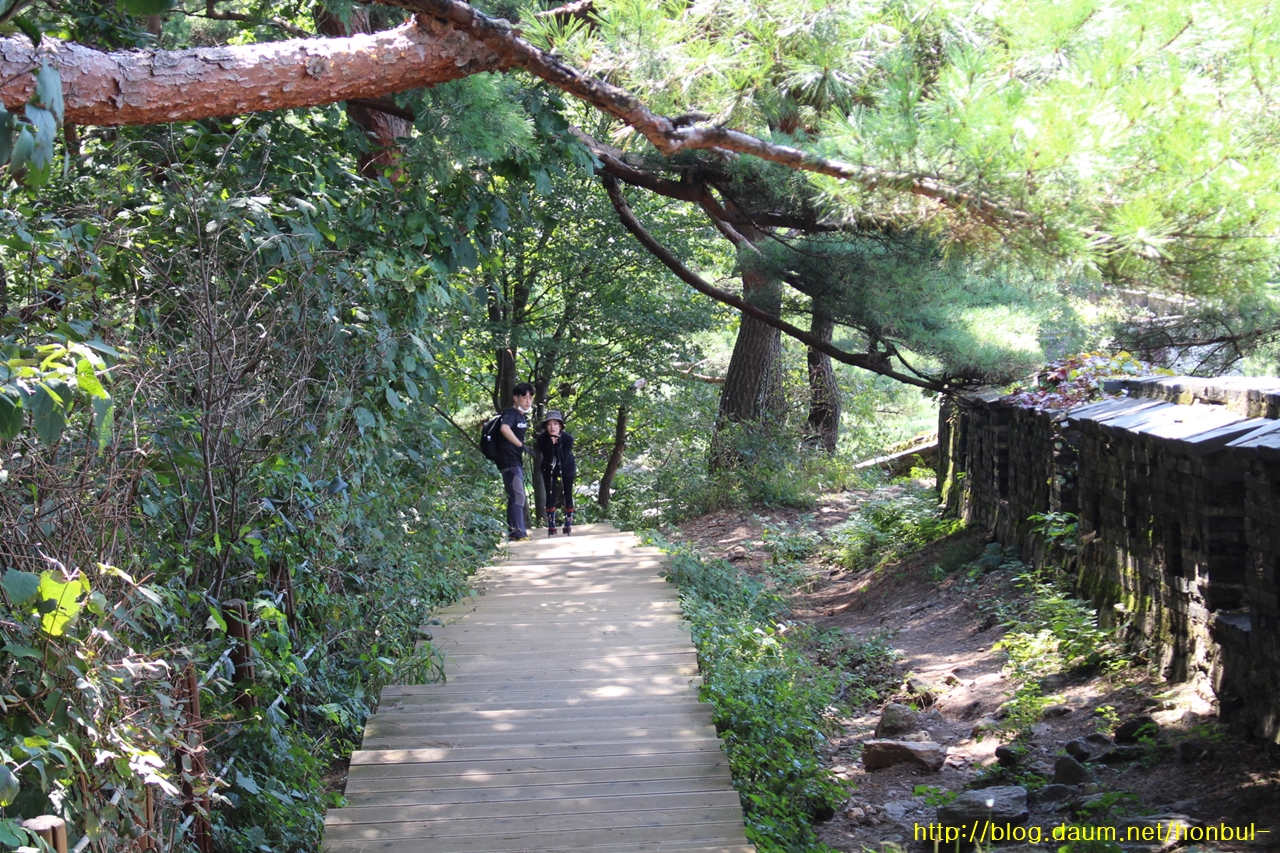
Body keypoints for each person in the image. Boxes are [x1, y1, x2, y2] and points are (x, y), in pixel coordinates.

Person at [496, 383, 535, 540]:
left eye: (530, 398)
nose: (528, 401)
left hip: (515, 460)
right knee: (518, 495)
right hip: (508, 460)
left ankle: (515, 532)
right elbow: (504, 429)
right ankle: (518, 534)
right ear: (515, 398)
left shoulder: (522, 416)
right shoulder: (510, 413)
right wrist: (519, 444)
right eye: (524, 397)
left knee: (516, 495)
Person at [535, 410, 576, 536]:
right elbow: (547, 457)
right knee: (550, 493)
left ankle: (568, 522)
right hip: (548, 467)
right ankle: (551, 524)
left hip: (566, 466)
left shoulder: (568, 439)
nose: (552, 427)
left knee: (567, 493)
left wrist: (558, 444)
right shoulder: (541, 439)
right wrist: (551, 445)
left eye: (555, 424)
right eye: (549, 424)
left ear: (560, 426)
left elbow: (563, 458)